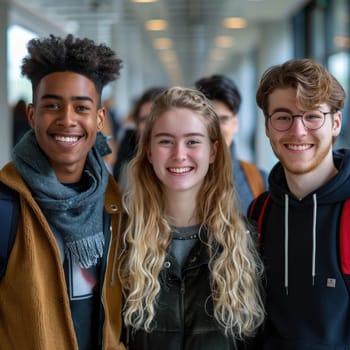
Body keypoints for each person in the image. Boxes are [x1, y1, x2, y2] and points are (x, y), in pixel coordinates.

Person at [0, 34, 126, 350]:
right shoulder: (6, 204)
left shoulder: (115, 203)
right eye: (52, 105)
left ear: (99, 119)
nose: (67, 120)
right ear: (32, 115)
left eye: (81, 107)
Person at [119, 86, 265, 349]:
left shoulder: (246, 240)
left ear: (213, 152)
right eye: (165, 141)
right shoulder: (123, 240)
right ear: (149, 152)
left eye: (193, 141)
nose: (179, 154)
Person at [248, 58, 348, 349]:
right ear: (267, 127)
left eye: (312, 116)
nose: (298, 131)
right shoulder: (260, 212)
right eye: (283, 117)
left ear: (336, 123)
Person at [195, 74, 268, 214]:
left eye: (223, 120)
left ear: (235, 123)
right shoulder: (180, 176)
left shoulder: (258, 180)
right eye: (207, 120)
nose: (216, 129)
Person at [113, 86, 166, 192]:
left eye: (157, 118)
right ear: (136, 125)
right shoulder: (126, 167)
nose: (150, 126)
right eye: (144, 120)